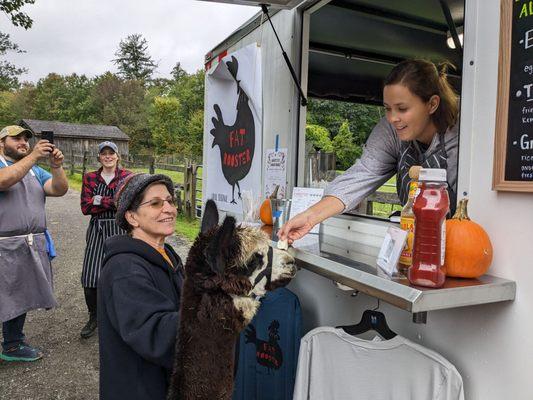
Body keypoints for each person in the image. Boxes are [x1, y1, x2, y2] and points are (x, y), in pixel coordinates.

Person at [279, 59, 460, 243]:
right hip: (414, 241)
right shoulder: (391, 131)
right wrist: (310, 217)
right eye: (387, 109)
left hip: (453, 243)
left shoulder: (463, 135)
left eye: (402, 108)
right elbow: (363, 173)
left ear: (432, 104)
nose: (392, 118)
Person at [98, 173, 183, 400]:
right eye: (155, 203)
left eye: (170, 201)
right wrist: (219, 309)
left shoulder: (168, 256)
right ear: (132, 217)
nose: (169, 209)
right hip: (140, 389)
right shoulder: (124, 269)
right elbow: (155, 335)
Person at [0, 125, 68, 362]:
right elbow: (4, 181)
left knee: (19, 295)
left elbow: (59, 189)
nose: (22, 142)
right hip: (3, 244)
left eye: (26, 139)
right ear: (1, 142)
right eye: (16, 138)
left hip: (30, 244)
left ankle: (12, 344)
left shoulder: (35, 171)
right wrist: (32, 157)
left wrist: (57, 167)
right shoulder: (6, 166)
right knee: (5, 294)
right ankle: (11, 343)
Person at [79, 141, 131, 339]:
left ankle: (122, 316)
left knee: (123, 273)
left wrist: (98, 199)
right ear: (99, 157)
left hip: (121, 228)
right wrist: (112, 202)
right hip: (98, 228)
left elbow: (125, 203)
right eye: (104, 153)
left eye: (112, 153)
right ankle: (94, 316)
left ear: (118, 156)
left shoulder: (127, 177)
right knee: (90, 276)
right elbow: (85, 207)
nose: (108, 156)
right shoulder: (90, 177)